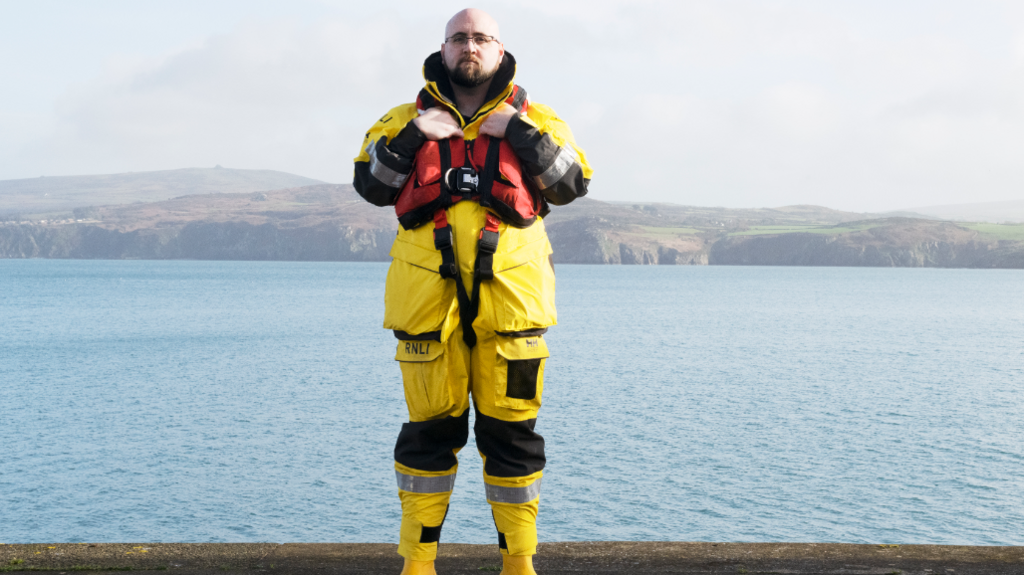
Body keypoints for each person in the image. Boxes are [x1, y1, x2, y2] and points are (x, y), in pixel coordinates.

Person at [352, 8, 592, 575]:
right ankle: (418, 563)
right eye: (460, 37)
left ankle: (519, 563)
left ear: (499, 47)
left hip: (512, 306)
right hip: (425, 303)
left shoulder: (540, 118)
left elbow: (571, 183)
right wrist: (416, 136)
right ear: (444, 46)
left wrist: (519, 133)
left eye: (481, 37)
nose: (470, 46)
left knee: (512, 432)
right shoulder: (400, 118)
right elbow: (370, 187)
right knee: (429, 431)